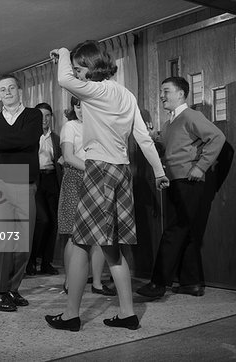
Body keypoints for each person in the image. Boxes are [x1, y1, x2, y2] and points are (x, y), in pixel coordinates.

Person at [45, 40, 169, 332]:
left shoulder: (97, 90)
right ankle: (127, 314)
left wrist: (63, 53)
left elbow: (63, 79)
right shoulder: (126, 94)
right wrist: (159, 171)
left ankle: (70, 317)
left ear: (91, 66)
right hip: (120, 172)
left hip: (98, 169)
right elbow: (143, 137)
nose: (75, 74)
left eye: (79, 68)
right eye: (74, 68)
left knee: (78, 244)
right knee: (111, 246)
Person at [136, 77, 226, 299]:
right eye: (161, 91)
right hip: (175, 181)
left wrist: (201, 167)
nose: (162, 95)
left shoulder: (191, 116)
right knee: (185, 231)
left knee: (174, 231)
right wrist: (153, 137)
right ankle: (191, 283)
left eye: (166, 90)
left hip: (188, 181)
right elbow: (168, 146)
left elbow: (217, 137)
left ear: (180, 93)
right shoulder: (170, 123)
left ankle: (158, 284)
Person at [0, 74, 42, 312]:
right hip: (1, 183)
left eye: (11, 88)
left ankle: (13, 287)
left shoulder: (33, 116)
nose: (7, 92)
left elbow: (25, 140)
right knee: (4, 240)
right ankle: (1, 291)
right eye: (2, 90)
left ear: (19, 90)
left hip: (26, 183)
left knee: (24, 243)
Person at [59, 96, 116, 297]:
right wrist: (93, 171)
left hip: (98, 178)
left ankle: (98, 283)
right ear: (74, 108)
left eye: (86, 105)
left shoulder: (100, 125)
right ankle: (69, 281)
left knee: (99, 232)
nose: (82, 109)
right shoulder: (70, 127)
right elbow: (67, 156)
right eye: (77, 105)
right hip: (76, 178)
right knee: (74, 234)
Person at [27, 102, 63, 276]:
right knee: (42, 220)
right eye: (41, 115)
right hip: (35, 180)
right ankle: (31, 260)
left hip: (52, 180)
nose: (44, 119)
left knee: (54, 222)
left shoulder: (56, 138)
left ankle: (46, 263)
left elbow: (61, 159)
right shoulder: (28, 136)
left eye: (48, 115)